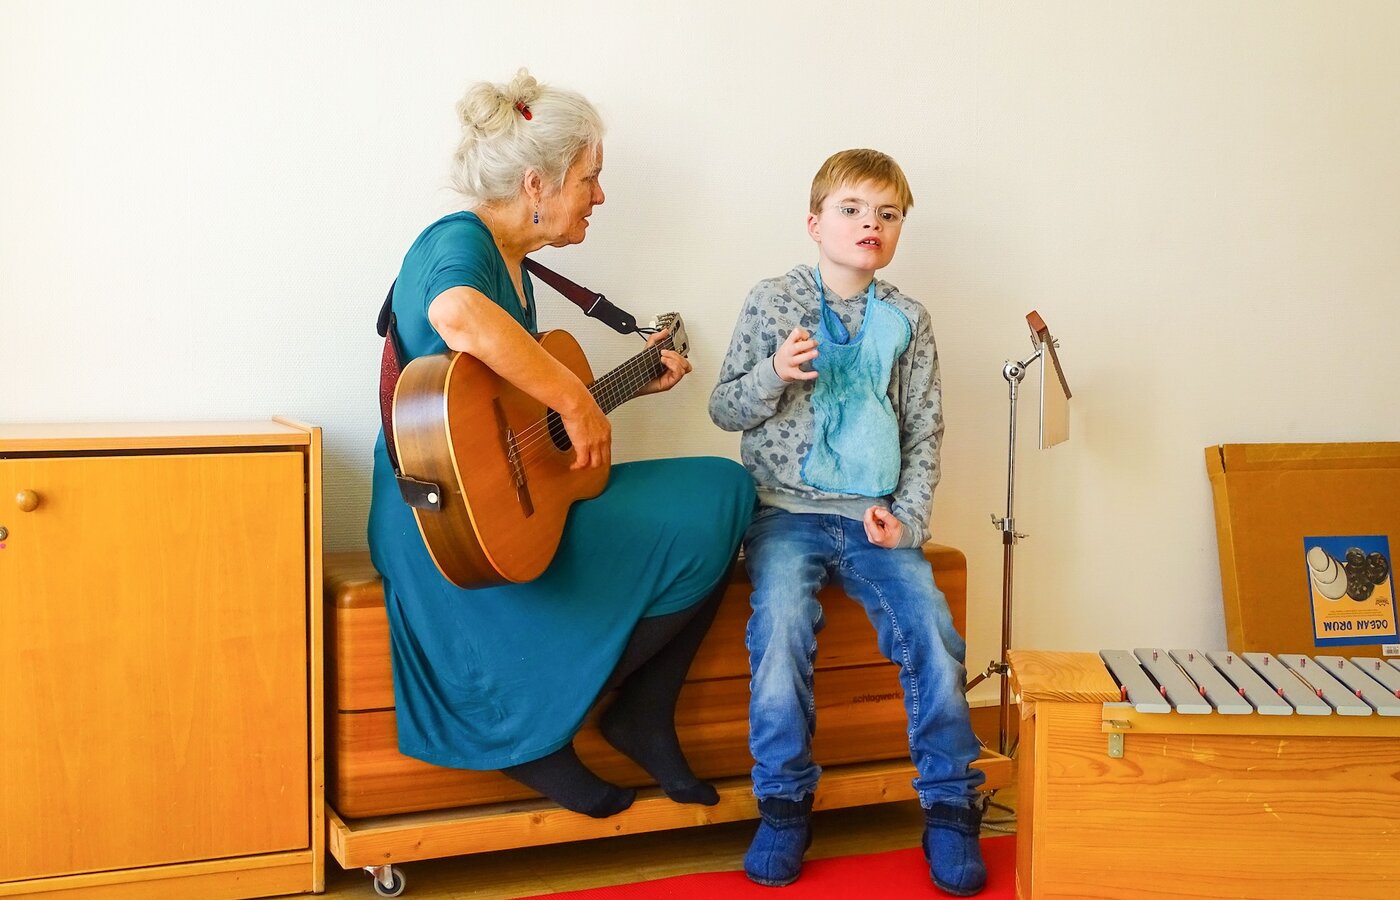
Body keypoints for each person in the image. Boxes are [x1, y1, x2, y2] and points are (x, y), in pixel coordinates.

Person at [368, 69, 755, 819]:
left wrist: (625, 384)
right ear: (537, 183)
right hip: (447, 522)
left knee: (724, 490)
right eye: (592, 178)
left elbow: (505, 404)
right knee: (712, 501)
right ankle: (536, 738)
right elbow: (454, 313)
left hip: (504, 492)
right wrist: (574, 398)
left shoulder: (516, 264)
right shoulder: (458, 244)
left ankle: (642, 712)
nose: (600, 196)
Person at [709, 149, 987, 895]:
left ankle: (953, 807)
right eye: (853, 210)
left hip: (874, 517)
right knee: (780, 630)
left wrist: (910, 518)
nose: (871, 224)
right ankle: (784, 805)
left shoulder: (908, 320)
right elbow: (723, 407)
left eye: (888, 215)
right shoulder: (772, 302)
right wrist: (773, 374)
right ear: (815, 223)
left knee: (932, 626)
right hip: (785, 515)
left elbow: (926, 428)